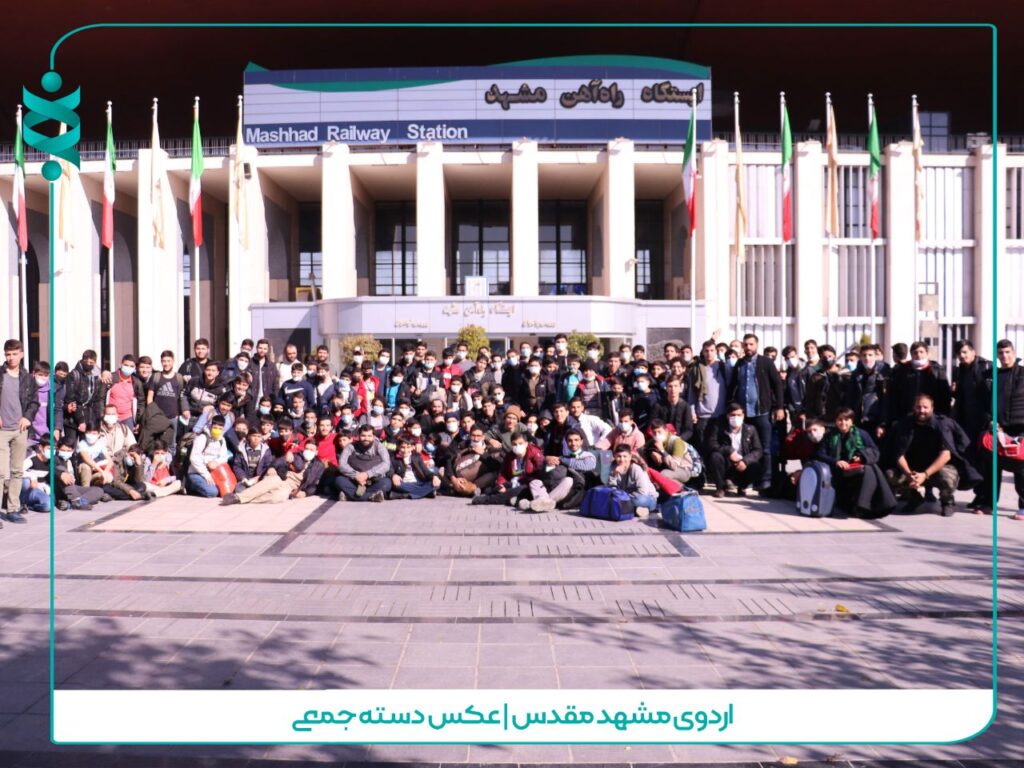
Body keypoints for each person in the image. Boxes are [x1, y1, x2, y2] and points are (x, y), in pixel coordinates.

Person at [884, 394, 980, 517]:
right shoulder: (905, 425)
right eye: (918, 407)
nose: (922, 411)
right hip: (912, 469)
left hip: (937, 469)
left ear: (932, 408)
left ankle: (947, 501)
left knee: (946, 477)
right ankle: (914, 497)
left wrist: (925, 475)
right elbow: (898, 454)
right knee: (890, 475)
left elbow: (946, 455)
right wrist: (909, 475)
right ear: (914, 408)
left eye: (925, 407)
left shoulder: (942, 425)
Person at [811, 408, 896, 517]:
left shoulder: (861, 434)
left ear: (852, 421)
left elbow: (875, 451)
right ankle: (866, 504)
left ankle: (863, 504)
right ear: (836, 421)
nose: (843, 423)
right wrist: (836, 462)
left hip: (856, 468)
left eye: (846, 420)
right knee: (871, 468)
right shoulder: (829, 436)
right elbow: (820, 454)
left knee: (870, 467)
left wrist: (861, 457)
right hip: (838, 471)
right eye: (840, 420)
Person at [730, 334, 784, 491]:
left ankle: (766, 480)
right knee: (747, 449)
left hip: (762, 412)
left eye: (751, 344)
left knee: (765, 449)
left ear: (757, 345)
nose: (748, 347)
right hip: (745, 415)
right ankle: (749, 479)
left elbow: (777, 384)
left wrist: (780, 407)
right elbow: (733, 385)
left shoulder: (766, 362)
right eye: (745, 344)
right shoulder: (739, 364)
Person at [979, 339, 1024, 519]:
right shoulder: (992, 376)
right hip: (997, 427)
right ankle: (989, 504)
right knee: (992, 467)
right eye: (1000, 353)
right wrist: (991, 421)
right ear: (997, 356)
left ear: (1014, 353)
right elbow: (985, 402)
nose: (1004, 356)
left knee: (1021, 467)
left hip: (1019, 428)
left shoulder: (1022, 373)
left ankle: (1023, 506)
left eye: (1007, 352)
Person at [223, 439, 323, 505]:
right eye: (307, 448)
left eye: (311, 449)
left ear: (316, 452)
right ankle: (238, 498)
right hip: (281, 477)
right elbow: (279, 461)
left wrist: (305, 493)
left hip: (291, 487)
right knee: (271, 482)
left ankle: (246, 499)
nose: (308, 451)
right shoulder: (296, 456)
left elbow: (314, 485)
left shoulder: (318, 466)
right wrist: (273, 467)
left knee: (279, 497)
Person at [706, 403, 764, 498]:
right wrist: (729, 450)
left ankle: (742, 487)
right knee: (715, 457)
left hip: (742, 464)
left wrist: (746, 461)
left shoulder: (750, 429)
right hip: (727, 462)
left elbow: (758, 450)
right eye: (733, 415)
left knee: (756, 466)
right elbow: (712, 444)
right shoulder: (719, 428)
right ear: (727, 416)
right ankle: (721, 487)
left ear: (743, 416)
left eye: (739, 415)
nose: (736, 417)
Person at [888, 341, 952, 423]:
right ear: (911, 355)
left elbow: (945, 396)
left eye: (921, 352)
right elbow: (894, 395)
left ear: (927, 353)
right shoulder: (902, 370)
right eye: (915, 353)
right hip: (907, 417)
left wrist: (942, 417)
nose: (918, 355)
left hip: (932, 417)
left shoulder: (937, 370)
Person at [686, 339, 732, 453]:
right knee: (702, 448)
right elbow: (692, 393)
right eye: (706, 351)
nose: (709, 353)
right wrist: (692, 412)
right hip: (702, 415)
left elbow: (731, 388)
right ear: (703, 352)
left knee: (718, 448)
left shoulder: (723, 368)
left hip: (720, 415)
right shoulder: (696, 369)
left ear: (716, 351)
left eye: (712, 350)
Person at [336, 424, 392, 502]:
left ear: (373, 436)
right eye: (363, 435)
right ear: (358, 436)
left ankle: (350, 496)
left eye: (369, 436)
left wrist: (367, 474)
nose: (366, 438)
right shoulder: (350, 447)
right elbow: (342, 465)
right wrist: (356, 475)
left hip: (373, 480)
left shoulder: (379, 446)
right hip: (354, 480)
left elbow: (386, 464)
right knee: (339, 480)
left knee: (386, 483)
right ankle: (371, 496)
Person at [607, 443, 657, 517]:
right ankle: (637, 509)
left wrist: (624, 497)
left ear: (630, 457)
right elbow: (611, 488)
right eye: (619, 456)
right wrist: (614, 475)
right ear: (615, 456)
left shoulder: (636, 468)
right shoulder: (614, 467)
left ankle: (635, 507)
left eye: (625, 456)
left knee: (637, 501)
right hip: (626, 497)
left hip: (646, 497)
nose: (622, 459)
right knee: (610, 499)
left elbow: (643, 492)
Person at [644, 419, 699, 487]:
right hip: (667, 467)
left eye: (659, 432)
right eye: (654, 433)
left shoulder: (676, 442)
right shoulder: (654, 441)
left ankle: (683, 489)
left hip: (684, 470)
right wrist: (651, 452)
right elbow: (643, 449)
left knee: (664, 474)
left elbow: (674, 466)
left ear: (666, 431)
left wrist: (662, 450)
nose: (657, 435)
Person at [186, 415, 231, 498]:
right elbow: (194, 458)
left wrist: (216, 462)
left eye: (220, 429)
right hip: (197, 472)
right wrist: (206, 474)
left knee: (225, 490)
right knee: (213, 492)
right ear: (211, 426)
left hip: (213, 472)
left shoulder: (221, 440)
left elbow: (224, 457)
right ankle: (191, 486)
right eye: (215, 428)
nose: (217, 431)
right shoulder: (202, 438)